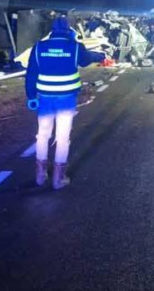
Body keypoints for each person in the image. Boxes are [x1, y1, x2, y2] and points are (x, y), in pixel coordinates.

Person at [25, 17, 106, 189]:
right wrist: (101, 55)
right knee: (62, 137)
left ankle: (40, 176)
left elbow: (31, 74)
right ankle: (58, 179)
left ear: (51, 30)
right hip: (66, 99)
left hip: (44, 98)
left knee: (42, 135)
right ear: (69, 29)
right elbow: (86, 59)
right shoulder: (75, 47)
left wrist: (31, 96)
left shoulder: (39, 47)